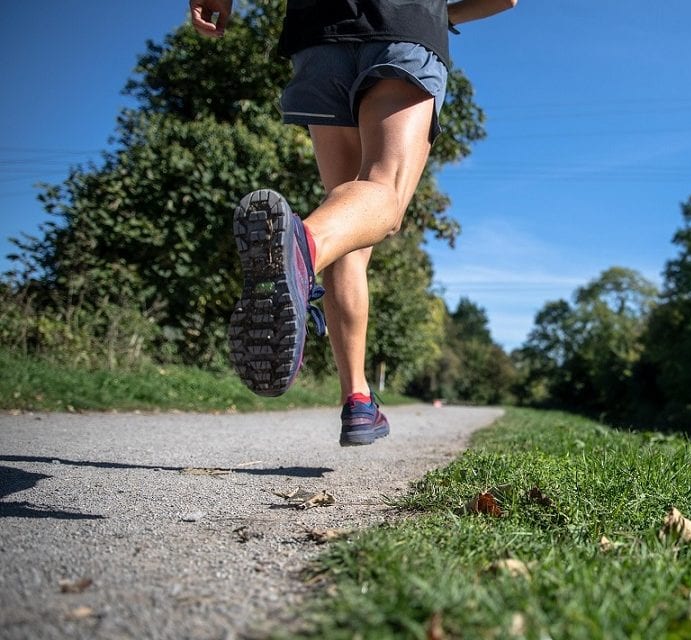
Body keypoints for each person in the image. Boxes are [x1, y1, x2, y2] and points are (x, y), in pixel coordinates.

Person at [189, 0, 515, 446]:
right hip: (402, 24)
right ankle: (301, 247)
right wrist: (445, 14)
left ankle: (358, 397)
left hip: (318, 30)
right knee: (383, 191)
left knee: (347, 221)